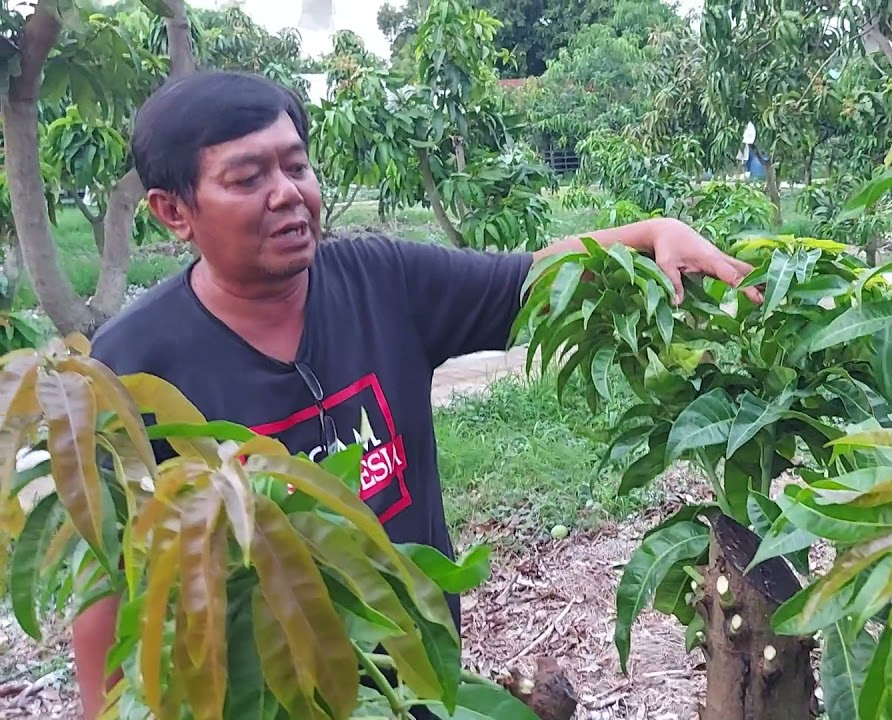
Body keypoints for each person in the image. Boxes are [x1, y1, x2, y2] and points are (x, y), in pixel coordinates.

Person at [73, 70, 761, 719]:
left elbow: (528, 279)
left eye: (296, 166)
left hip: (414, 679)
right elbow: (108, 572)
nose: (287, 193)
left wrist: (650, 236)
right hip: (267, 694)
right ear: (173, 211)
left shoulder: (382, 281)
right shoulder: (135, 363)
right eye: (248, 178)